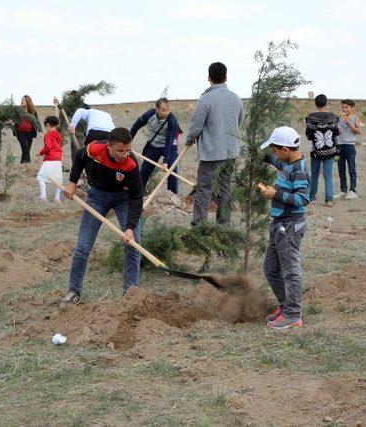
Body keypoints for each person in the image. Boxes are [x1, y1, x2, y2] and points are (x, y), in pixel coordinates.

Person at [60, 127, 143, 305]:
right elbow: (80, 156)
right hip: (97, 197)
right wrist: (72, 183)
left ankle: (130, 294)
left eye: (128, 150)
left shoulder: (131, 164)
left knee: (133, 245)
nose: (124, 154)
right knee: (83, 246)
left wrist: (130, 228)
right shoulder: (94, 149)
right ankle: (74, 291)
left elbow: (136, 198)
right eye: (120, 150)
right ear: (109, 146)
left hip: (124, 199)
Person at [258, 126, 310, 330]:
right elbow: (273, 160)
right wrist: (259, 154)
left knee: (290, 271)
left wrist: (275, 195)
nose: (273, 155)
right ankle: (285, 305)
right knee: (270, 269)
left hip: (290, 226)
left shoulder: (299, 170)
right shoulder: (285, 162)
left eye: (274, 150)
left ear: (285, 149)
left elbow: (302, 199)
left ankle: (293, 314)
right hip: (278, 224)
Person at [186, 61, 244, 226]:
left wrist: (189, 140)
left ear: (209, 78)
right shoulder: (236, 98)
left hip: (211, 154)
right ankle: (223, 225)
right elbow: (239, 121)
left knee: (204, 189)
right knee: (225, 189)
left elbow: (196, 125)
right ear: (226, 77)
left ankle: (199, 225)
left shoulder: (205, 100)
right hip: (230, 152)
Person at [130, 98, 181, 194]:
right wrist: (127, 143)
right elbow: (135, 126)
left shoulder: (172, 120)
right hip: (154, 145)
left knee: (172, 170)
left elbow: (168, 141)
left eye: (168, 110)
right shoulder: (149, 115)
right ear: (157, 109)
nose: (166, 113)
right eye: (163, 110)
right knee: (144, 171)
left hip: (170, 146)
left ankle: (173, 196)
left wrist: (165, 161)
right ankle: (138, 195)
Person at [306, 94, 339, 207]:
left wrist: (312, 148)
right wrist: (337, 149)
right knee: (328, 175)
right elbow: (336, 134)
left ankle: (312, 198)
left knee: (314, 174)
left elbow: (309, 135)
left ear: (316, 104)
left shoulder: (310, 118)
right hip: (330, 151)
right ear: (326, 103)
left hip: (316, 151)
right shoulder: (333, 117)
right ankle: (329, 200)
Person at [337, 99, 360, 199]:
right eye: (343, 107)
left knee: (351, 168)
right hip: (339, 146)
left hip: (350, 146)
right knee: (341, 169)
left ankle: (353, 191)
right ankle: (343, 190)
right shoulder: (339, 119)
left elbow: (358, 131)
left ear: (352, 108)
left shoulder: (355, 118)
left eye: (347, 107)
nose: (345, 109)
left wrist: (349, 124)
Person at [37, 116, 63, 203]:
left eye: (46, 126)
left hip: (50, 158)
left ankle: (43, 196)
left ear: (48, 124)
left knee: (41, 177)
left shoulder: (48, 135)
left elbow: (48, 147)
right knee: (57, 180)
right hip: (58, 159)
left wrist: (40, 153)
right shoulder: (58, 135)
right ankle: (57, 198)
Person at [15, 95, 41, 164]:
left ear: (27, 101)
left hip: (29, 133)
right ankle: (28, 164)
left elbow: (36, 122)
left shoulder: (33, 112)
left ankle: (22, 165)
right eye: (21, 100)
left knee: (26, 150)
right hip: (20, 132)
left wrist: (39, 130)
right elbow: (13, 119)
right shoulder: (18, 111)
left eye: (23, 100)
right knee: (25, 147)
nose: (21, 101)